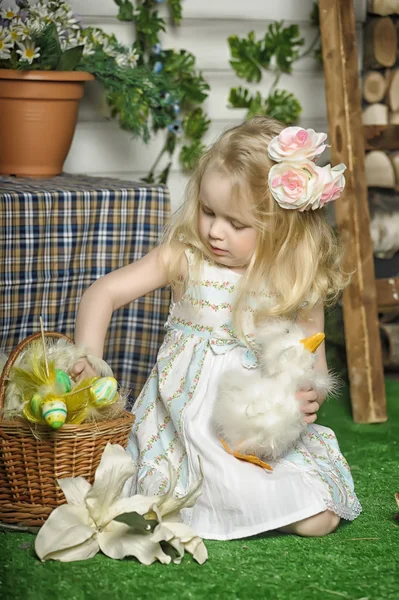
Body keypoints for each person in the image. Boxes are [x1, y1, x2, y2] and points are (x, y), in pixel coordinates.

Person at [73, 116, 362, 540]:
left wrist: (304, 397)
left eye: (236, 223)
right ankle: (221, 499)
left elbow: (311, 366)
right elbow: (104, 293)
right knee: (182, 492)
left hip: (250, 429)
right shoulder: (185, 258)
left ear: (281, 229)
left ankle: (257, 498)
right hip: (183, 423)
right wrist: (89, 358)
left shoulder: (294, 282)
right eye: (208, 211)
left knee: (319, 519)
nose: (214, 231)